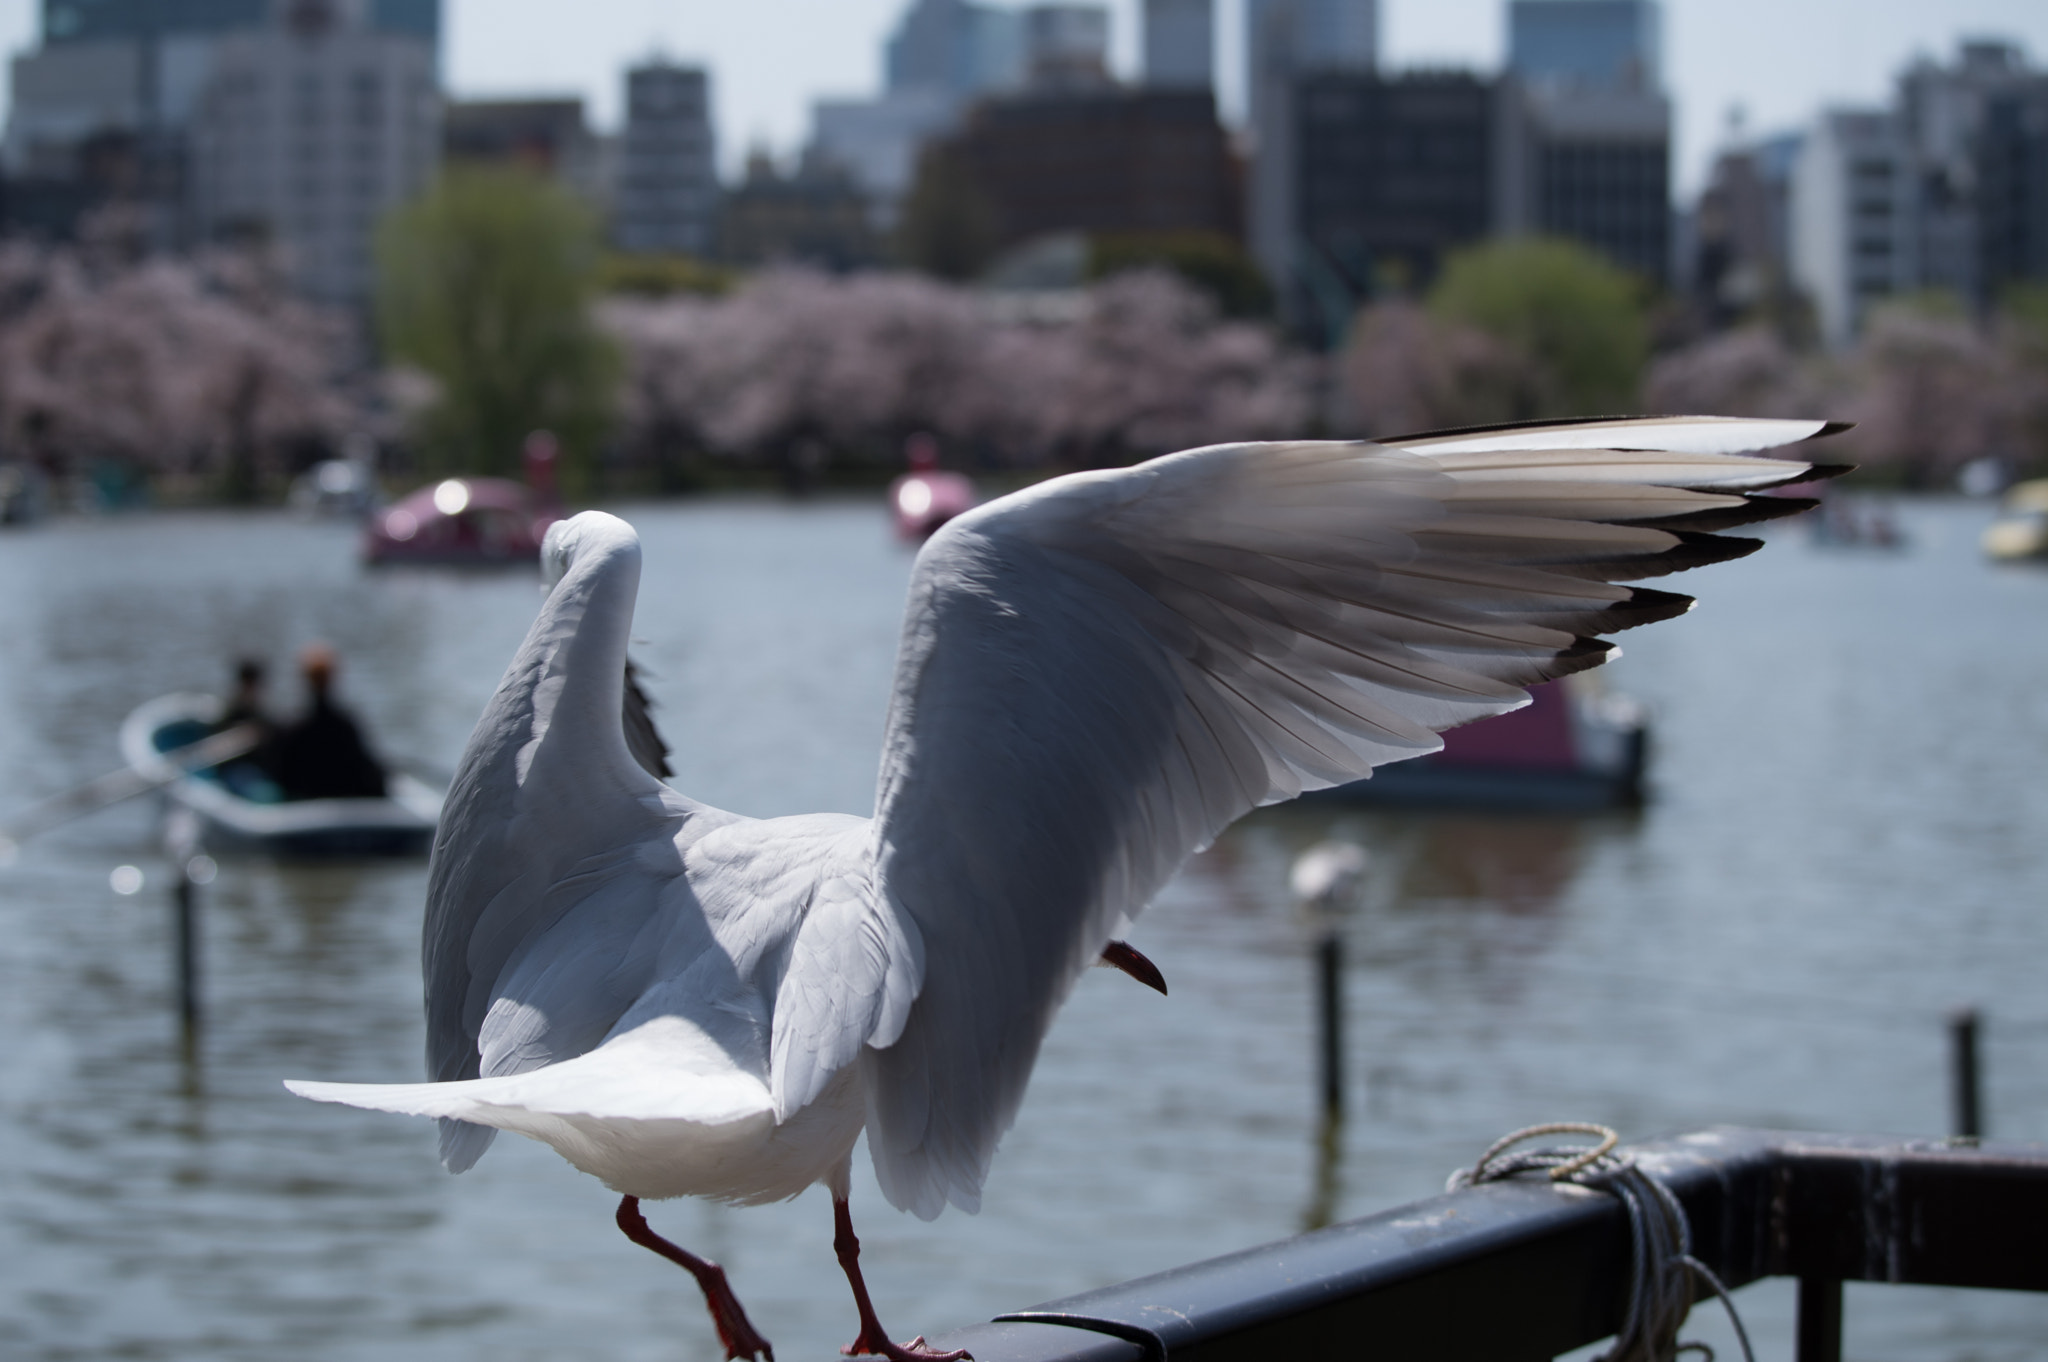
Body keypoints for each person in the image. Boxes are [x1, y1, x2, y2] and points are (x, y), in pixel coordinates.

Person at [268, 643, 388, 801]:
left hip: (306, 801)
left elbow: (282, 774)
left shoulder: (293, 727)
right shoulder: (346, 725)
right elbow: (366, 771)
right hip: (348, 799)